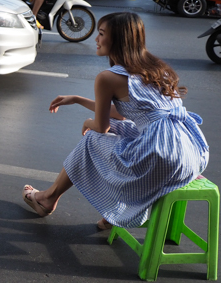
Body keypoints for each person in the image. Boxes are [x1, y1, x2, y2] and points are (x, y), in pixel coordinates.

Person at [22, 12, 208, 230]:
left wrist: (89, 123)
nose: (96, 39)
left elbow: (102, 127)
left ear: (118, 40)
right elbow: (124, 113)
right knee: (126, 128)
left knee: (93, 138)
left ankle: (49, 198)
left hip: (163, 157)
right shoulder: (157, 68)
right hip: (191, 154)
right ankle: (111, 216)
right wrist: (77, 99)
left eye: (101, 34)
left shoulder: (108, 77)